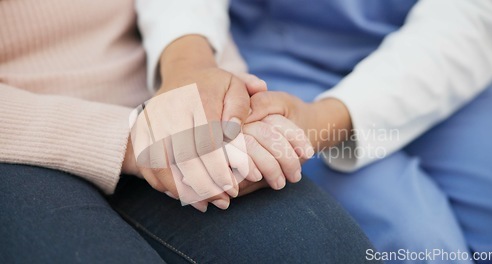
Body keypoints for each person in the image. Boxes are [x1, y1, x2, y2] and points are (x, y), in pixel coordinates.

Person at [0, 0, 377, 263]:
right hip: (21, 138)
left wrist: (225, 100)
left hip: (167, 99)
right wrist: (133, 140)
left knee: (327, 250)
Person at [229, 0, 492, 262]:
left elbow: (474, 13)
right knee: (417, 240)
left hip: (447, 53)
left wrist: (322, 119)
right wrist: (189, 57)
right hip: (281, 71)